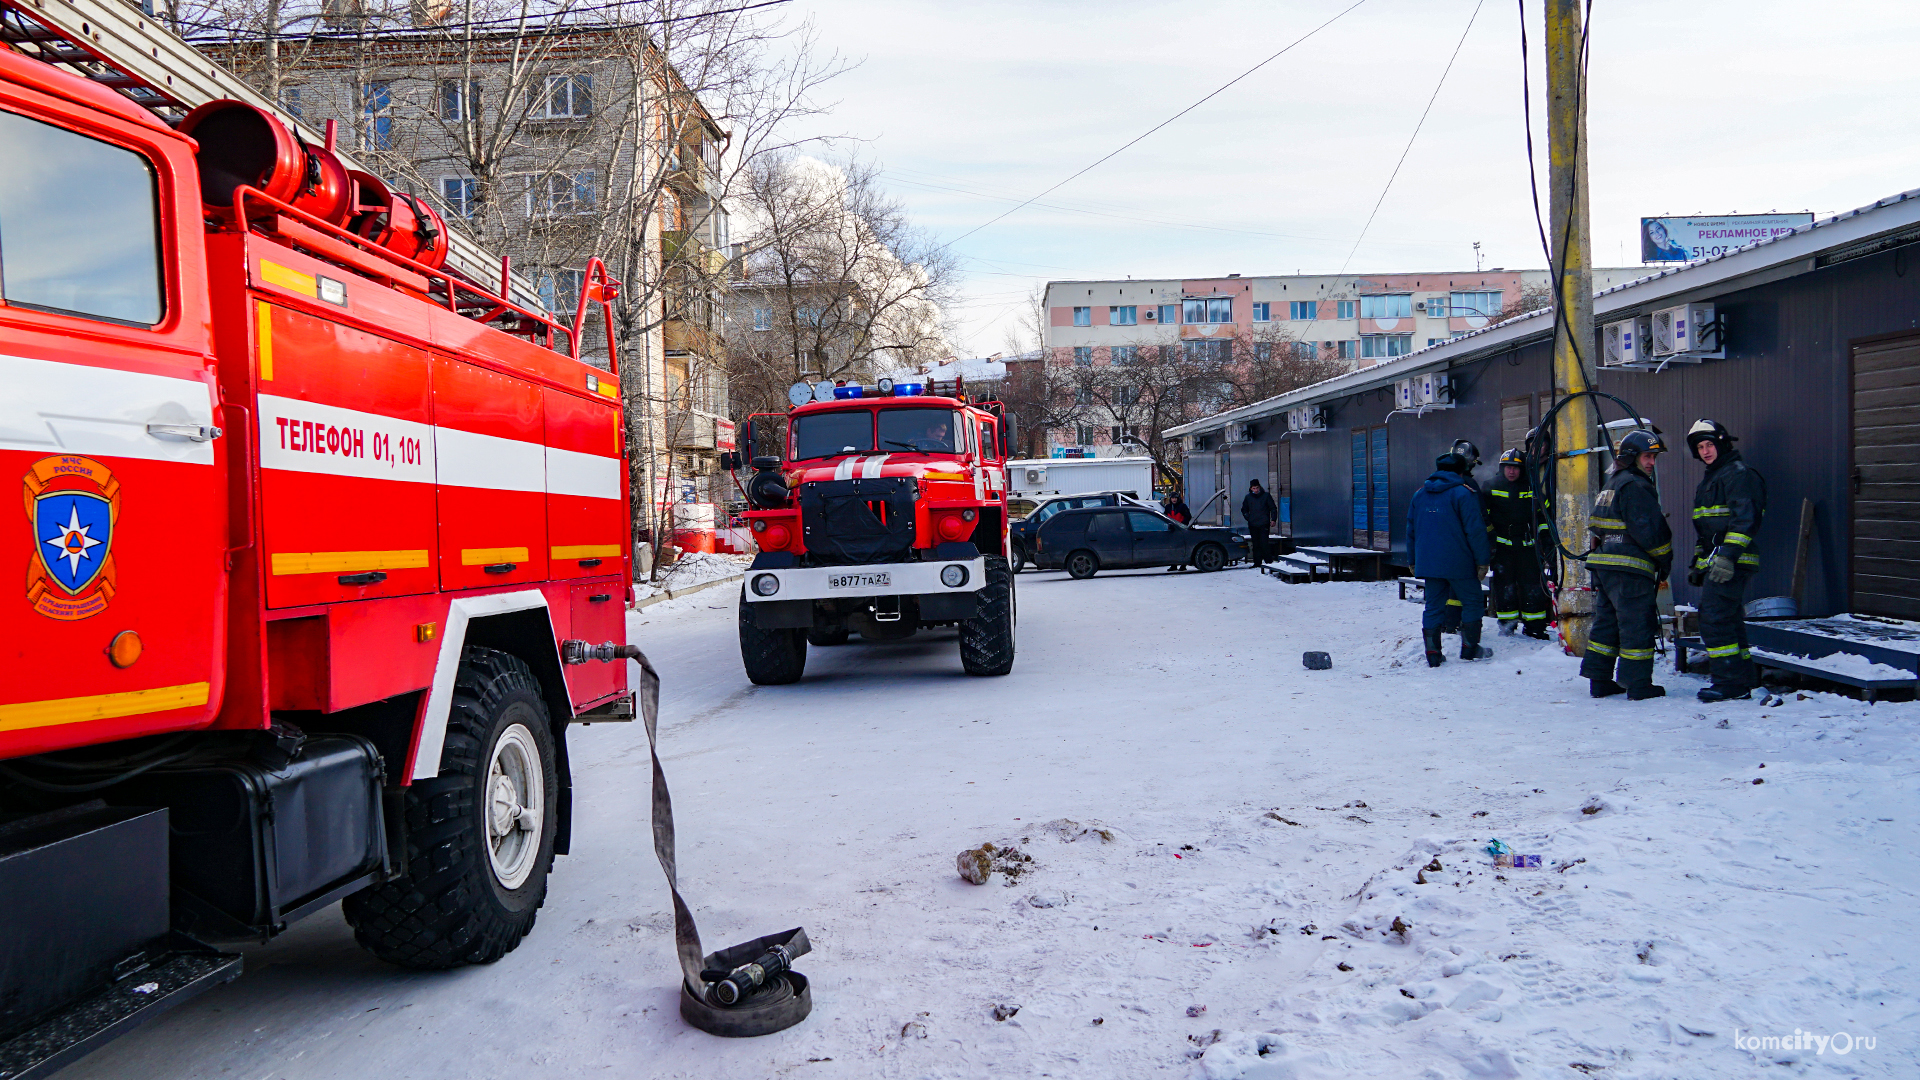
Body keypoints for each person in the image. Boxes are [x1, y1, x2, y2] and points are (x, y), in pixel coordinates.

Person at [1580, 430, 1674, 700]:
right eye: (1647, 456)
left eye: (1654, 457)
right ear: (1633, 457)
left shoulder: (1612, 484)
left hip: (1605, 567)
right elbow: (1652, 531)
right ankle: (1638, 684)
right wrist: (1664, 560)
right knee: (1636, 624)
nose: (1651, 463)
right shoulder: (1636, 485)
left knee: (1607, 624)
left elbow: (1595, 525)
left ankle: (1599, 680)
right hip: (1630, 568)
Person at [1686, 419, 1768, 702]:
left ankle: (1729, 683)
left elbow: (1745, 520)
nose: (1706, 451)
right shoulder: (1713, 477)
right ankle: (1743, 677)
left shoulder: (1738, 474)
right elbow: (1707, 528)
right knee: (1729, 618)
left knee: (1714, 618)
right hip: (1719, 559)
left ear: (1722, 443)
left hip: (1733, 560)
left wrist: (1727, 558)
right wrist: (1699, 562)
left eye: (1709, 444)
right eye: (1700, 447)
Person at [1408, 452, 1493, 667]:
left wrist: (1413, 560)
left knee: (1433, 605)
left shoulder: (1419, 495)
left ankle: (1433, 653)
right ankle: (1470, 648)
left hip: (1429, 563)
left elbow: (1411, 531)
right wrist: (1482, 560)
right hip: (1460, 563)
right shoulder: (1464, 494)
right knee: (1472, 601)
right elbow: (1475, 530)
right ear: (1461, 471)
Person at [1486, 448, 1552, 639]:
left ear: (1523, 469)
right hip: (1502, 548)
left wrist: (1546, 540)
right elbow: (1482, 517)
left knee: (1533, 586)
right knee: (1504, 586)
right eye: (1508, 467)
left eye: (1516, 467)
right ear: (1502, 467)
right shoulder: (1490, 487)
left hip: (1528, 548)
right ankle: (1508, 625)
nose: (1511, 471)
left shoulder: (1533, 489)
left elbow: (1543, 516)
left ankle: (1535, 627)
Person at [1240, 479, 1277, 566]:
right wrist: (1248, 517)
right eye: (1254, 488)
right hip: (1253, 524)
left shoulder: (1266, 496)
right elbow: (1244, 509)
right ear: (1251, 488)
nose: (1256, 490)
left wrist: (1273, 519)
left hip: (1264, 523)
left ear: (1259, 487)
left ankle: (1268, 561)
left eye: (1257, 488)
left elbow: (1273, 508)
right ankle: (1257, 562)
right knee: (1256, 544)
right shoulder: (1248, 497)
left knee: (1264, 543)